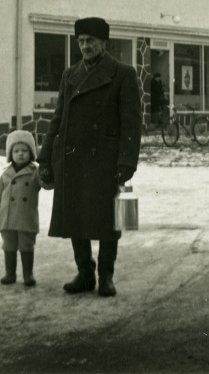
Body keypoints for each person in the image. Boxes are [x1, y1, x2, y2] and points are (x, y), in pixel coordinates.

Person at [38, 17, 142, 297]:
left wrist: (126, 162)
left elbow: (131, 124)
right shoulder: (69, 75)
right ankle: (85, 273)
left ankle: (105, 276)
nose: (85, 46)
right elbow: (58, 119)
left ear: (104, 43)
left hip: (105, 161)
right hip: (72, 158)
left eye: (90, 41)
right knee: (76, 218)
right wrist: (45, 158)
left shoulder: (123, 74)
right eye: (81, 41)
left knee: (108, 223)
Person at [0, 129, 48, 287]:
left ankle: (28, 274)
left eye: (24, 151)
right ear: (10, 154)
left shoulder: (35, 172)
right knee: (9, 245)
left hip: (26, 217)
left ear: (31, 153)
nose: (20, 154)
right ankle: (10, 273)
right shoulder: (6, 174)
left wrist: (47, 175)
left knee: (26, 245)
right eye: (16, 151)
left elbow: (46, 184)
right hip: (7, 218)